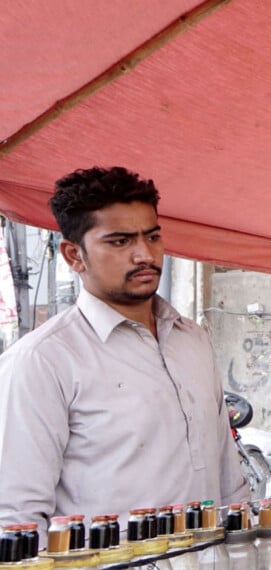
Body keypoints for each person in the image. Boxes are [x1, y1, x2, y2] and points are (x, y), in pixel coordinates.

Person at [0, 166, 250, 537]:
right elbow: (16, 519)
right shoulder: (43, 360)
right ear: (74, 255)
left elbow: (229, 480)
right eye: (119, 242)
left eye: (152, 237)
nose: (144, 255)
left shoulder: (192, 339)